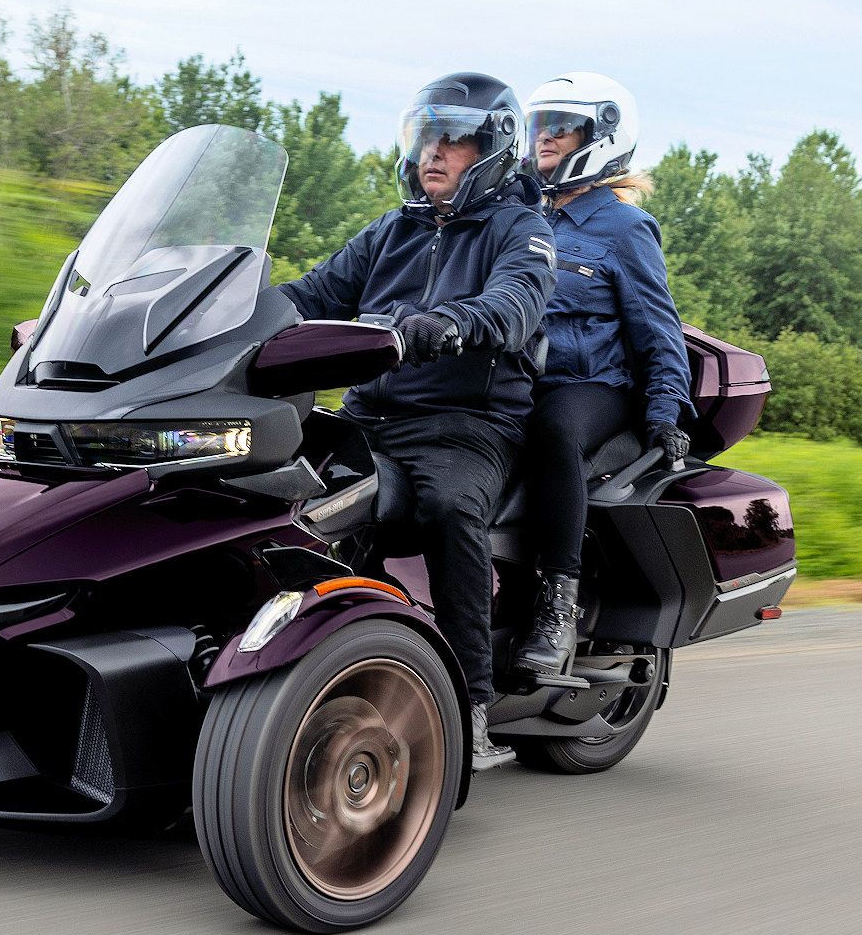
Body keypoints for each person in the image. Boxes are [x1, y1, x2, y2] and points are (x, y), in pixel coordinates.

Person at [278, 72, 557, 771]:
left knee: (449, 508)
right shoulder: (389, 231)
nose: (434, 153)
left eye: (454, 140)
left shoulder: (522, 230)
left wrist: (450, 324)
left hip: (466, 423)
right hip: (371, 413)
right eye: (428, 136)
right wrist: (218, 315)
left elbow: (515, 305)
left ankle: (469, 707)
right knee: (283, 490)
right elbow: (307, 294)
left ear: (491, 151)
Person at [509, 72, 694, 680]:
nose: (545, 140)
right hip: (517, 379)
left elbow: (658, 328)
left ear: (603, 137)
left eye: (561, 129)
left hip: (594, 386)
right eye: (539, 127)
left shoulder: (623, 227)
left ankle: (557, 602)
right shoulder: (518, 215)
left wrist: (666, 412)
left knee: (552, 431)